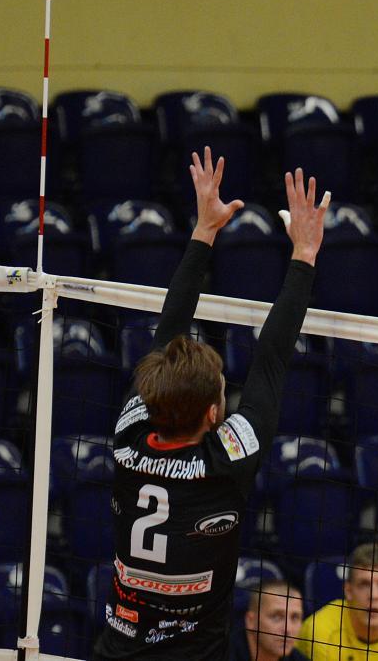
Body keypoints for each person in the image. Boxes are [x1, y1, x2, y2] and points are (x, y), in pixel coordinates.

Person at [93, 147, 330, 660]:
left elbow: (169, 334)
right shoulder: (225, 460)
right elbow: (271, 357)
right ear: (212, 414)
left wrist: (204, 229)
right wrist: (305, 253)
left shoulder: (129, 437)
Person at [228, 580, 308, 661]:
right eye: (276, 617)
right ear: (250, 621)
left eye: (295, 618)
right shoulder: (223, 653)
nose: (288, 629)